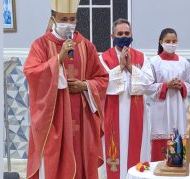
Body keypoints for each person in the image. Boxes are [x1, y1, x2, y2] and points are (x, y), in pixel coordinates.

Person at [23, 0, 109, 178]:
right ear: (53, 19)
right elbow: (31, 73)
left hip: (82, 118)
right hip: (54, 119)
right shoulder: (40, 45)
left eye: (72, 19)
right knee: (56, 161)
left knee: (82, 158)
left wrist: (84, 85)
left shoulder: (86, 45)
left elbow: (102, 78)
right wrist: (58, 59)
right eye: (64, 19)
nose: (68, 24)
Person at [99, 18, 154, 179]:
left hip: (137, 114)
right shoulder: (104, 58)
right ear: (112, 36)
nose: (124, 36)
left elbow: (148, 83)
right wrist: (120, 67)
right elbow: (102, 84)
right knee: (113, 151)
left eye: (127, 33)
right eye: (120, 33)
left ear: (132, 35)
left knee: (138, 149)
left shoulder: (141, 57)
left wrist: (130, 67)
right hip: (112, 113)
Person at [145, 28, 190, 162]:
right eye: (168, 41)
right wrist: (166, 85)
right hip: (161, 108)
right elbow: (147, 87)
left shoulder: (183, 62)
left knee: (178, 137)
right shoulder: (154, 61)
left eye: (174, 41)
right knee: (161, 139)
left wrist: (181, 85)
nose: (171, 44)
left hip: (178, 107)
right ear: (161, 42)